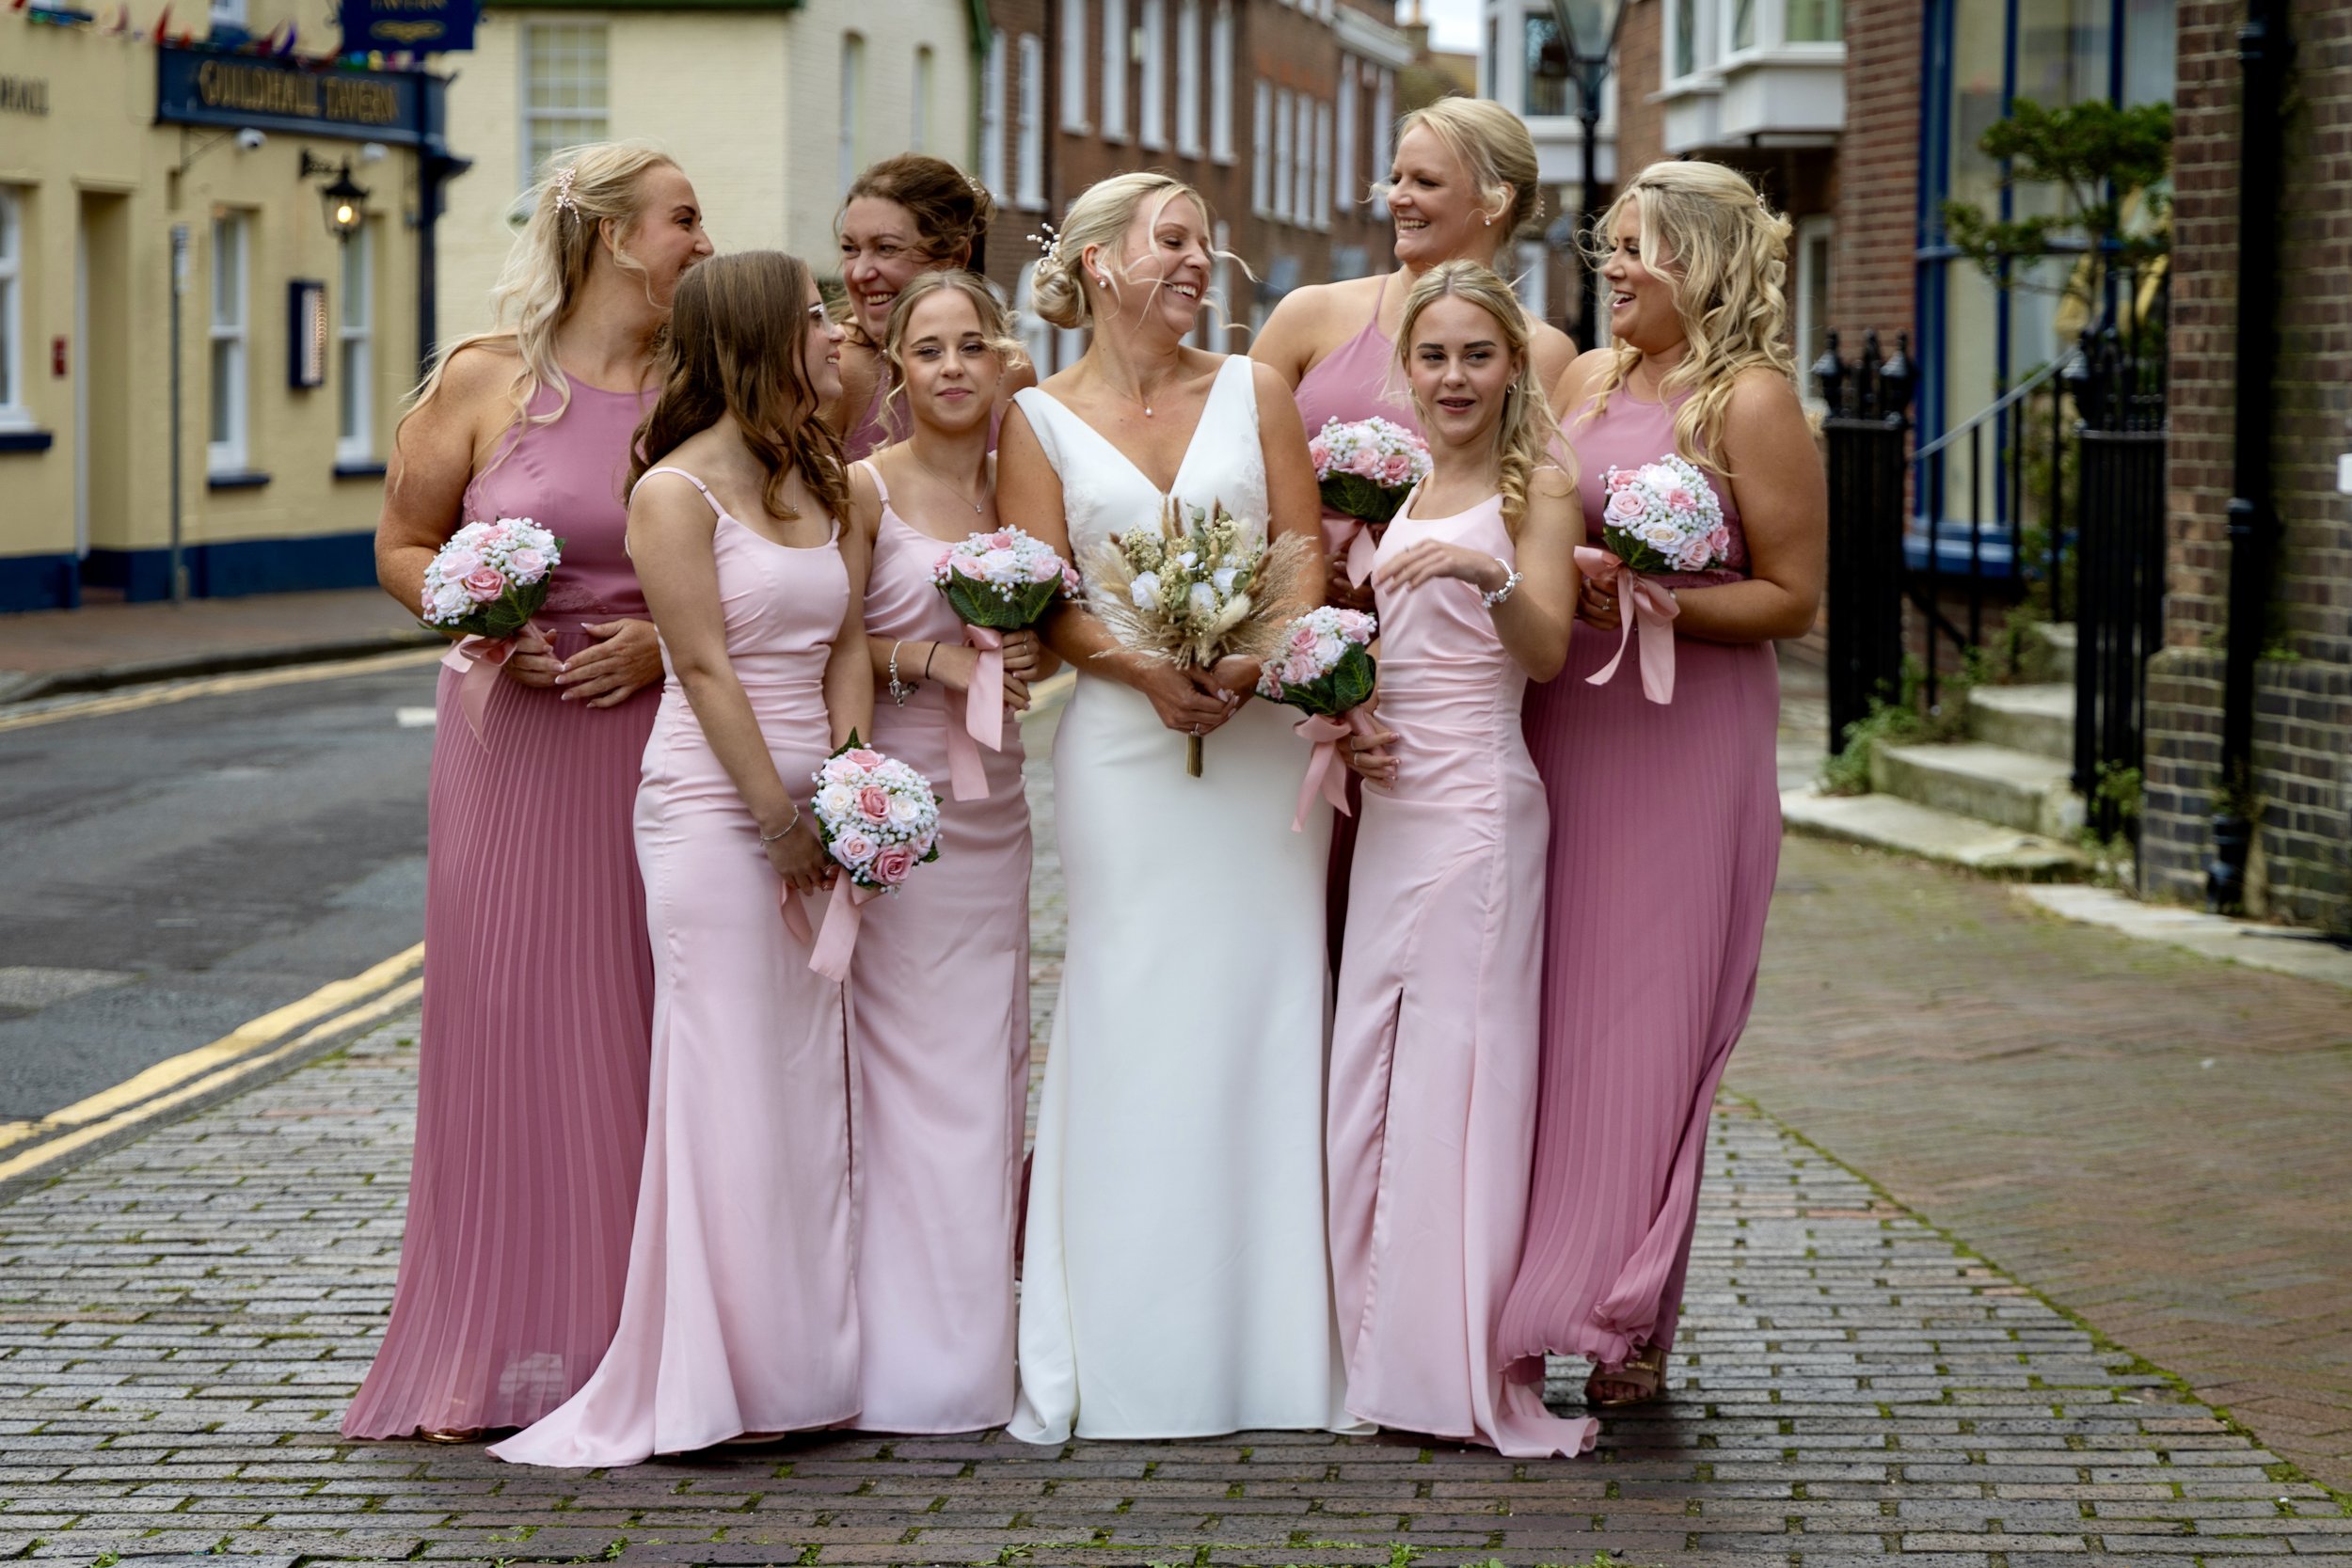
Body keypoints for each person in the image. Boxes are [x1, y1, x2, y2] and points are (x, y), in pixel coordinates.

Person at [347, 141, 710, 1443]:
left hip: (657, 741)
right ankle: (492, 1350)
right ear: (612, 235)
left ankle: (641, 1347)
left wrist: (666, 643)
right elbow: (403, 542)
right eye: (683, 219)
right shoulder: (483, 378)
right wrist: (478, 613)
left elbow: (769, 559)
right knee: (506, 1031)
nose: (702, 242)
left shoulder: (703, 390)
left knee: (642, 1030)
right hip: (508, 741)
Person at [490, 249, 875, 1466]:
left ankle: (801, 1370)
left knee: (805, 1084)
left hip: (817, 804)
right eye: (813, 317)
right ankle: (711, 1379)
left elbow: (846, 644)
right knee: (725, 1080)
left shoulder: (821, 476)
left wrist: (854, 789)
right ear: (760, 336)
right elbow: (703, 666)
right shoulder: (672, 491)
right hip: (714, 812)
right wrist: (777, 818)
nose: (835, 334)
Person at [994, 172, 1350, 1442]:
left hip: (1257, 746)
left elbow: (1303, 561)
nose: (1201, 261)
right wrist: (1144, 667)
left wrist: (1247, 666)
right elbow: (1047, 593)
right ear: (1099, 260)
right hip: (1120, 748)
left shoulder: (1255, 389)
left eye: (1206, 243)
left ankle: (1277, 1346)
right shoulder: (1034, 417)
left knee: (1266, 998)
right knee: (1130, 996)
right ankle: (1129, 1342)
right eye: (1174, 240)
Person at [1497, 160, 1825, 1410]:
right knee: (1554, 1017)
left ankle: (1626, 1313)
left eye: (1639, 247)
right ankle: (1533, 1285)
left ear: (1705, 262)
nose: (1614, 267)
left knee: (1648, 1027)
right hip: (1568, 724)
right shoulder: (1583, 379)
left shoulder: (1751, 402)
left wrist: (1656, 598)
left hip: (1684, 745)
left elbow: (1792, 595)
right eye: (1612, 244)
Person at [1325, 260, 1590, 1458]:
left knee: (1456, 1077)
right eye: (1432, 355)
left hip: (1480, 808)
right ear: (1407, 367)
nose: (1453, 377)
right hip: (1394, 806)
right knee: (1367, 1071)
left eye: (1476, 355)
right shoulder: (1404, 482)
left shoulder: (1541, 486)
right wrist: (1350, 713)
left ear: (1511, 366)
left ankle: (1451, 1363)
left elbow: (1544, 653)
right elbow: (1387, 645)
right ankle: (1369, 1347)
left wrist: (1489, 573)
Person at [1250, 96, 1576, 969]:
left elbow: (1530, 515)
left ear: (1495, 200)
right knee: (1296, 938)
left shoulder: (1544, 353)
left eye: (1425, 180)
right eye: (1394, 177)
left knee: (1422, 948)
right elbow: (1229, 473)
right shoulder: (1310, 314)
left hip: (1437, 708)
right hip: (1299, 677)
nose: (1397, 196)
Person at [844, 271, 1049, 1433]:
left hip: (995, 811)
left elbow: (1052, 636)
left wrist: (1028, 658)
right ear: (898, 369)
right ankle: (892, 1357)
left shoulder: (1022, 488)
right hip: (904, 811)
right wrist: (933, 661)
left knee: (983, 1068)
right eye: (929, 350)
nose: (953, 367)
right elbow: (827, 645)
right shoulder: (864, 487)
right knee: (903, 1077)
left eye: (973, 344)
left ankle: (971, 1355)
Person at [831, 154, 1037, 460]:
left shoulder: (1010, 370)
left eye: (886, 248)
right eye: (850, 249)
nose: (860, 273)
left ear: (955, 257)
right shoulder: (836, 370)